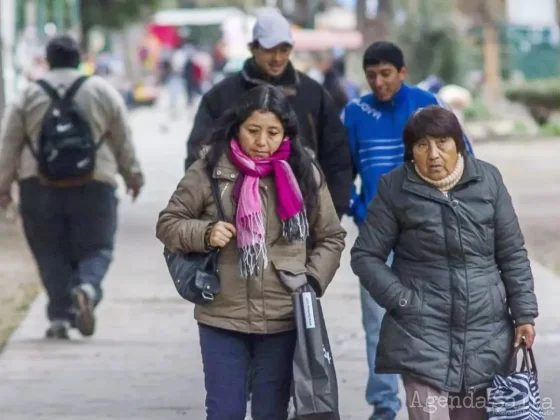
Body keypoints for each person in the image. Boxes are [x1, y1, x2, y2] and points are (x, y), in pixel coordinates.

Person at [157, 85, 346, 420]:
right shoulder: (209, 170)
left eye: (272, 132)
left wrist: (311, 283)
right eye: (253, 131)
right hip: (222, 315)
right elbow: (169, 223)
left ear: (285, 132)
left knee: (270, 413)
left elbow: (330, 236)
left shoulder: (304, 174)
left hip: (283, 319)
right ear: (237, 127)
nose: (262, 142)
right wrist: (204, 232)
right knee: (224, 412)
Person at [350, 105, 538, 420]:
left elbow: (512, 252)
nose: (433, 154)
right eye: (422, 145)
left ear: (458, 143)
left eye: (442, 142)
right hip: (420, 333)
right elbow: (365, 256)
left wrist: (524, 314)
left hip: (483, 333)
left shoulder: (488, 180)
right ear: (411, 152)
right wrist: (403, 299)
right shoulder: (395, 187)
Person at [341, 41, 474, 420]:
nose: (379, 82)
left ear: (403, 72)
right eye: (371, 76)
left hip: (428, 235)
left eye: (386, 74)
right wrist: (356, 206)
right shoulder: (355, 113)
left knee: (434, 321)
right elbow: (339, 171)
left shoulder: (428, 105)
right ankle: (384, 407)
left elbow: (465, 159)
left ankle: (436, 401)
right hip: (376, 238)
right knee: (377, 325)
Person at [0, 35, 144, 339]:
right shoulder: (102, 90)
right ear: (79, 59)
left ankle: (60, 318)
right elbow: (123, 139)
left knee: (49, 251)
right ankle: (88, 286)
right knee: (98, 246)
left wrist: (3, 186)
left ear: (48, 60)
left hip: (37, 186)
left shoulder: (28, 94)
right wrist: (133, 177)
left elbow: (9, 142)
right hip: (94, 183)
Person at [185, 11, 352, 220]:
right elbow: (198, 156)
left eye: (284, 49)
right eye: (270, 49)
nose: (277, 57)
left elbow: (337, 156)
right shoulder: (221, 97)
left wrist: (332, 212)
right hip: (234, 218)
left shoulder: (313, 95)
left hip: (302, 219)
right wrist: (207, 214)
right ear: (253, 48)